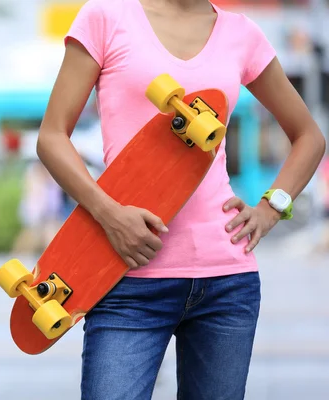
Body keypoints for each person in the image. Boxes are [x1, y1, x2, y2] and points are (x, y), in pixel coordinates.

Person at [35, 0, 327, 399]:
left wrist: (271, 209)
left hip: (226, 281)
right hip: (126, 278)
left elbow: (309, 136)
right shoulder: (106, 17)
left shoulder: (241, 33)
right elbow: (52, 136)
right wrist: (109, 214)